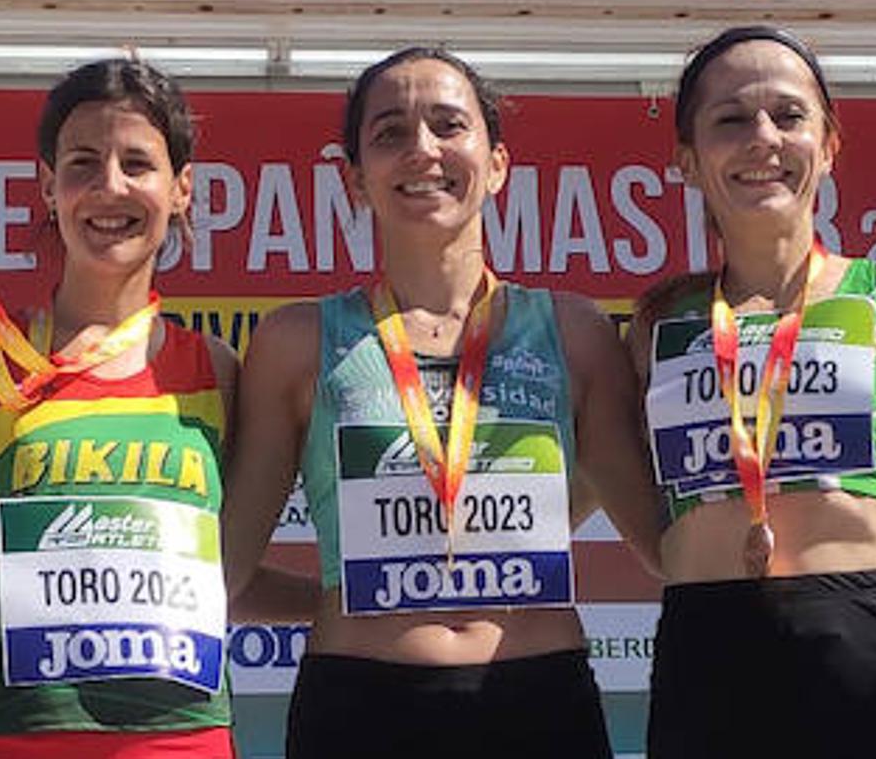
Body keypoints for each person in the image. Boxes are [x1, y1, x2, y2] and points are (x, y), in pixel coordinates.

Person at [223, 46, 662, 758]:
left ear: (497, 164)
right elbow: (226, 573)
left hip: (538, 701)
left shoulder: (575, 333)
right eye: (390, 133)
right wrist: (344, 593)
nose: (422, 149)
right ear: (355, 179)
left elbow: (669, 547)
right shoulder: (296, 341)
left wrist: (863, 564)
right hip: (359, 705)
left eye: (449, 126)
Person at [629, 26, 876, 759]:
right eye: (731, 119)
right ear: (686, 159)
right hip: (703, 662)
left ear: (830, 145)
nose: (763, 139)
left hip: (866, 649)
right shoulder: (659, 320)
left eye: (789, 115)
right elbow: (625, 495)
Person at [0, 57, 241, 758]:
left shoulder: (216, 370)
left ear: (182, 189)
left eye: (137, 164)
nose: (110, 188)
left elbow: (232, 571)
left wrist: (337, 611)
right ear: (47, 185)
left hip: (183, 742)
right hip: (16, 742)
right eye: (83, 164)